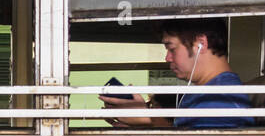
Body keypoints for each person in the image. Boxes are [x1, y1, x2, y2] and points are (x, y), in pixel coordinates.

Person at [99, 19, 254, 129]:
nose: (167, 57)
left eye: (172, 48)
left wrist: (147, 120)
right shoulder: (205, 93)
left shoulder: (220, 100)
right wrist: (143, 125)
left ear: (201, 44)